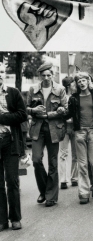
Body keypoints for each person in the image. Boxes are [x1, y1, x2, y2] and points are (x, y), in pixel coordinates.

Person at [60, 72, 93, 204]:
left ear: (88, 81)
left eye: (83, 80)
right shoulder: (74, 98)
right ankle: (84, 193)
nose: (81, 82)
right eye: (79, 81)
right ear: (76, 83)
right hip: (79, 132)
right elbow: (69, 113)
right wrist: (61, 112)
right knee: (82, 164)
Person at [26, 62, 67, 207]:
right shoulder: (33, 89)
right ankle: (44, 191)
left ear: (53, 75)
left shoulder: (60, 89)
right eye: (43, 75)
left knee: (53, 163)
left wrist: (50, 114)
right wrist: (33, 110)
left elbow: (65, 109)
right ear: (40, 76)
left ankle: (51, 196)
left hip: (54, 129)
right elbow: (26, 109)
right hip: (37, 129)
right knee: (36, 160)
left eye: (49, 75)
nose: (46, 77)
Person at [0, 68, 28, 231]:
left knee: (12, 181)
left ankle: (15, 218)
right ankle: (2, 220)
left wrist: (2, 117)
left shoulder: (13, 93)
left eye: (0, 72)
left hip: (10, 142)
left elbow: (22, 115)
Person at [58, 76, 78, 189]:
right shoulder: (61, 96)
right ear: (69, 85)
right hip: (64, 127)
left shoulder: (77, 95)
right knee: (63, 153)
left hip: (75, 127)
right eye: (73, 83)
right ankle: (63, 180)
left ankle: (74, 178)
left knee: (76, 154)